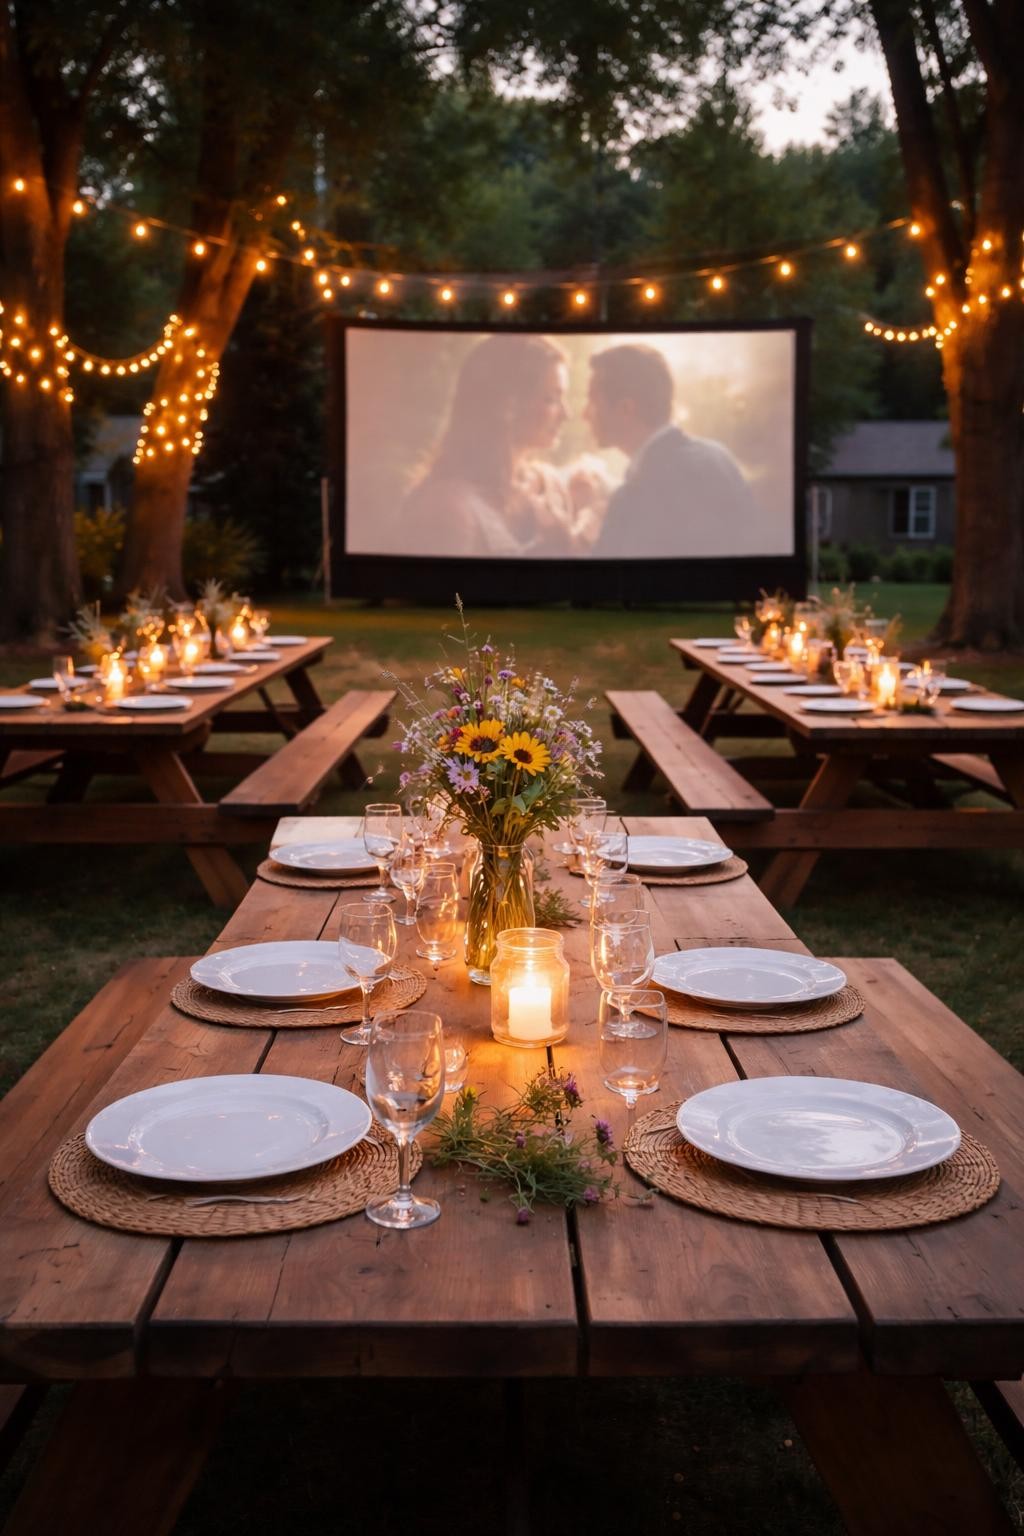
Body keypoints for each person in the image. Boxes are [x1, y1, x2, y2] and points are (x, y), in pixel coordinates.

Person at [404, 335, 591, 558]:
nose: (566, 414)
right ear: (506, 404)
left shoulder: (552, 488)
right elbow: (450, 593)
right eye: (551, 398)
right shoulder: (448, 508)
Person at [581, 343, 762, 559]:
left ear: (626, 409)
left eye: (593, 401)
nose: (585, 414)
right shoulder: (718, 458)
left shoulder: (634, 497)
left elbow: (606, 585)